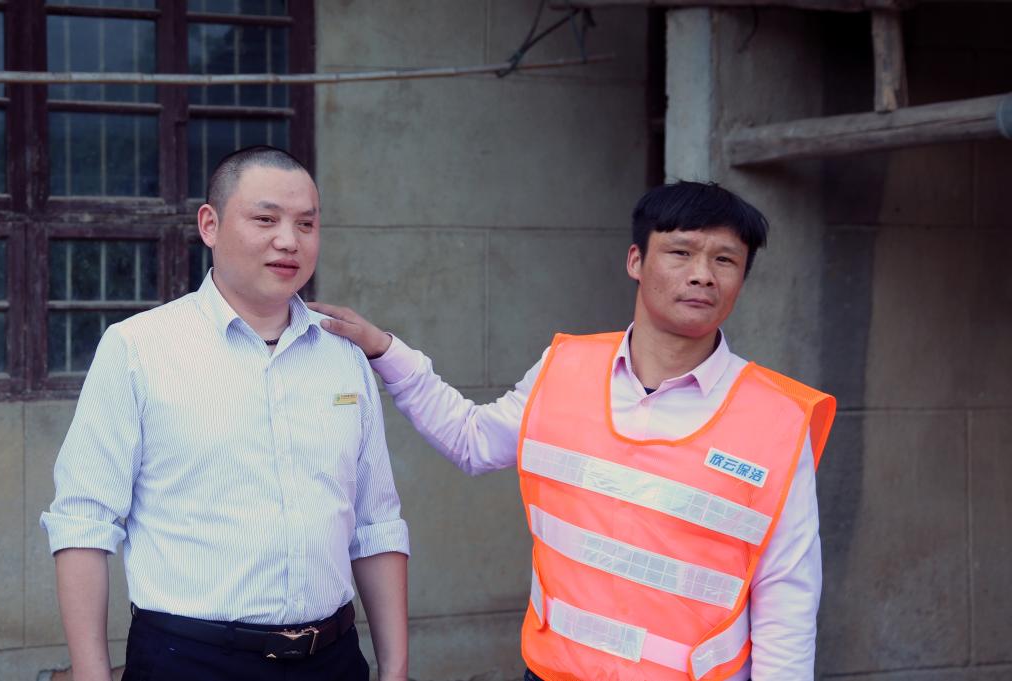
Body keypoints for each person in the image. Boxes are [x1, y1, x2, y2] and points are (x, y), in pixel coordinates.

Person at [309, 181, 836, 681]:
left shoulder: (777, 419)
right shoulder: (564, 369)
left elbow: (786, 602)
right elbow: (472, 440)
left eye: (725, 260)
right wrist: (385, 350)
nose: (702, 274)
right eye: (681, 252)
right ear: (636, 261)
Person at [41, 146, 409, 681]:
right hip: (190, 660)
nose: (289, 240)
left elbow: (376, 524)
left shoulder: (343, 354)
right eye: (266, 219)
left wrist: (395, 669)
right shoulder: (139, 348)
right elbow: (83, 523)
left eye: (306, 224)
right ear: (209, 225)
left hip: (331, 658)